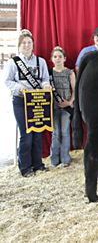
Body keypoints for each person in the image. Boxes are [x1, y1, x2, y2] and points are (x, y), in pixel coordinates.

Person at [4, 30, 52, 177]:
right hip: (21, 100)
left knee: (37, 133)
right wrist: (20, 87)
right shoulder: (13, 62)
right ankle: (25, 167)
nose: (26, 45)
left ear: (33, 45)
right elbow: (8, 81)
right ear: (19, 45)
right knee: (26, 134)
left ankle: (37, 164)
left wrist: (45, 85)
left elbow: (45, 79)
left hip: (38, 101)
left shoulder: (40, 61)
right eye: (23, 42)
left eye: (29, 42)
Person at [49, 46, 76, 167]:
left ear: (64, 58)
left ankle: (65, 158)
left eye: (60, 56)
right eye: (55, 56)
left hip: (66, 107)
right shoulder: (49, 73)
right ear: (52, 59)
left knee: (65, 132)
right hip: (53, 107)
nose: (58, 58)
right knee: (56, 133)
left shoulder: (70, 72)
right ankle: (54, 159)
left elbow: (75, 90)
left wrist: (70, 102)